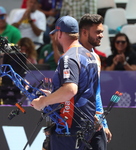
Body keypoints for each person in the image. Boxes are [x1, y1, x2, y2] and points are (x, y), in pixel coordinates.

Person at [31, 16, 99, 150]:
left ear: (60, 33)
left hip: (70, 127)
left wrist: (43, 102)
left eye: (56, 34)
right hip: (85, 125)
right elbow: (81, 90)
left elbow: (70, 90)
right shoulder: (90, 55)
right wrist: (53, 95)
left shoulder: (68, 57)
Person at [79, 13, 112, 150]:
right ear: (85, 32)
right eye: (97, 32)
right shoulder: (72, 56)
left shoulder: (96, 58)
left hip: (94, 124)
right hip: (76, 124)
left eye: (102, 32)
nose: (101, 35)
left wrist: (103, 123)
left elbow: (96, 93)